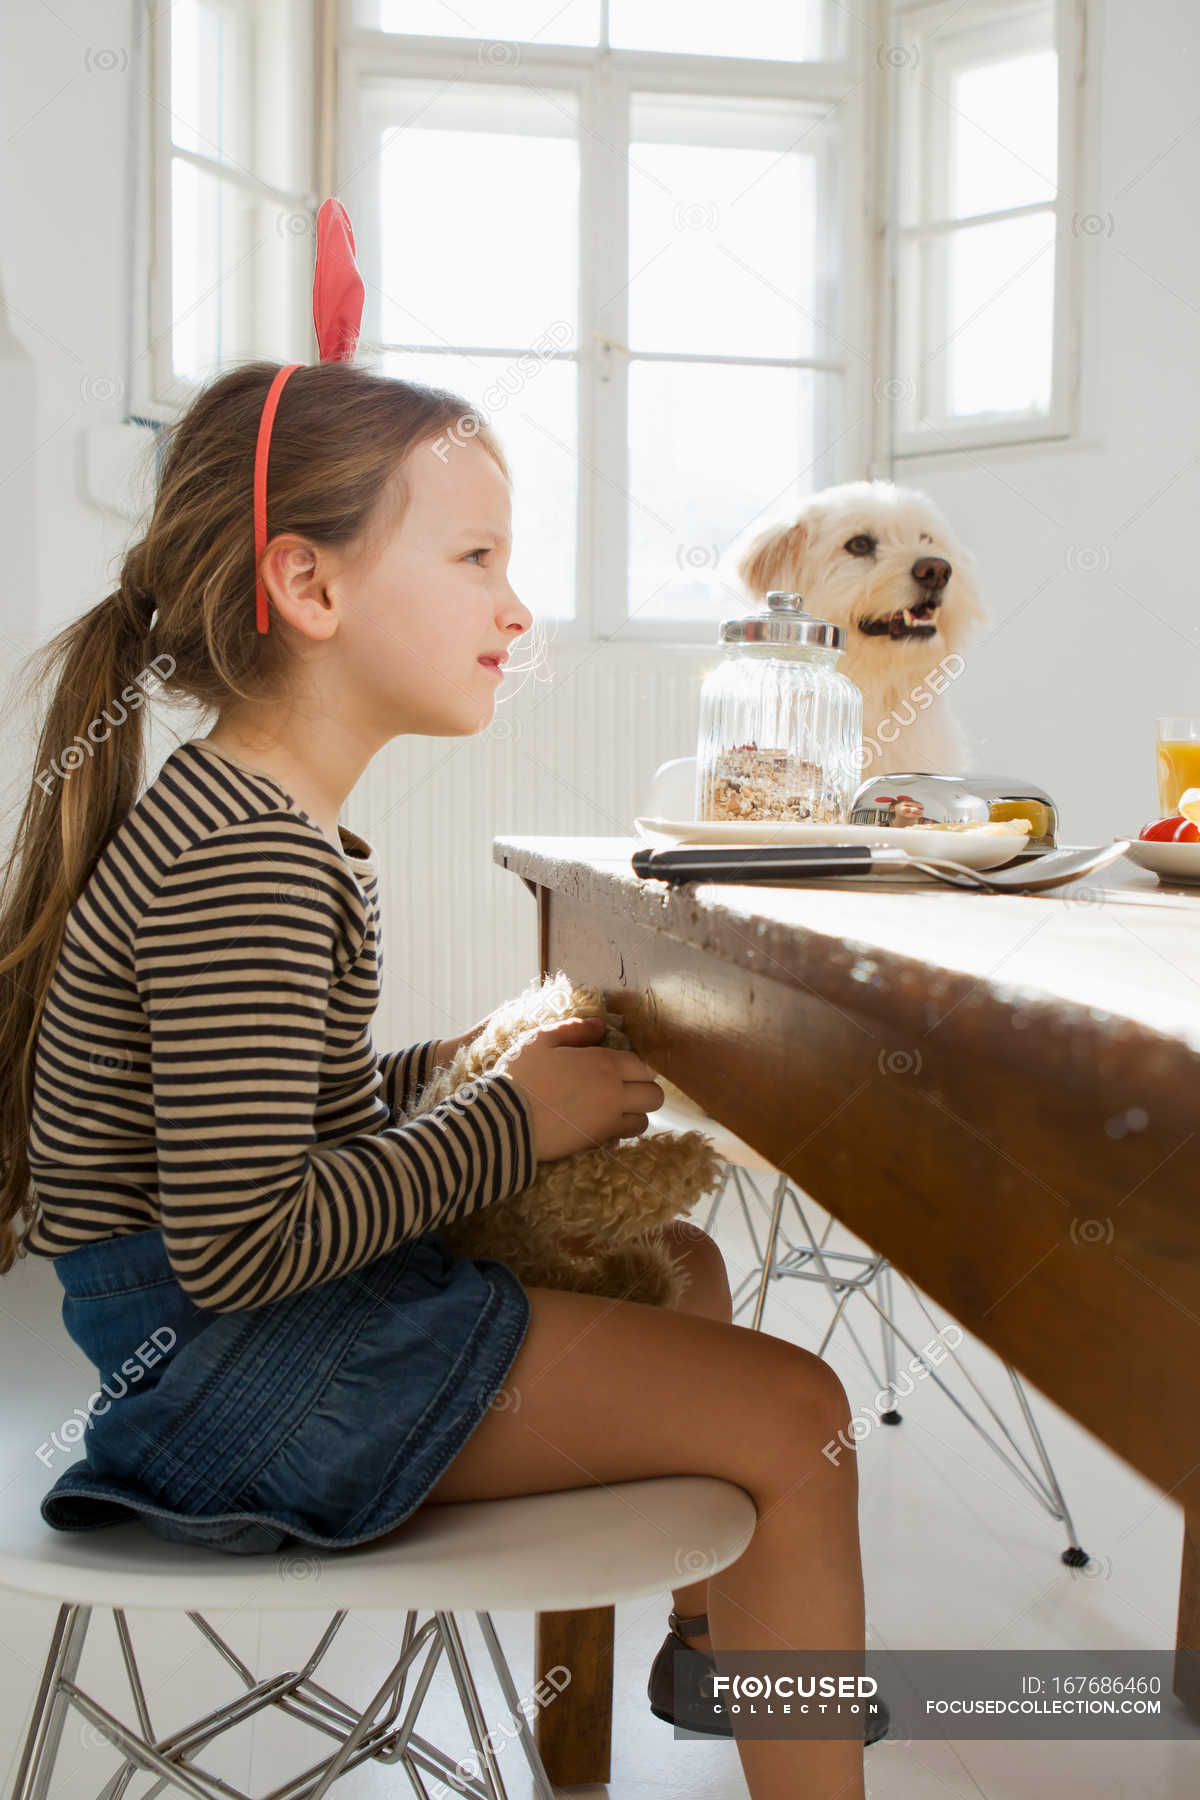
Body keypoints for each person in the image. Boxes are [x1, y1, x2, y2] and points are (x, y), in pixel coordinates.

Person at [0, 357, 869, 1798]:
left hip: (233, 1341)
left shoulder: (259, 818)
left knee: (684, 1269)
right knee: (803, 1416)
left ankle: (711, 1661)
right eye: (475, 559)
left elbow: (304, 1103)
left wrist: (471, 1063)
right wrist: (510, 1119)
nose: (516, 610)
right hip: (230, 1373)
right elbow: (239, 1246)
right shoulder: (248, 861)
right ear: (312, 587)